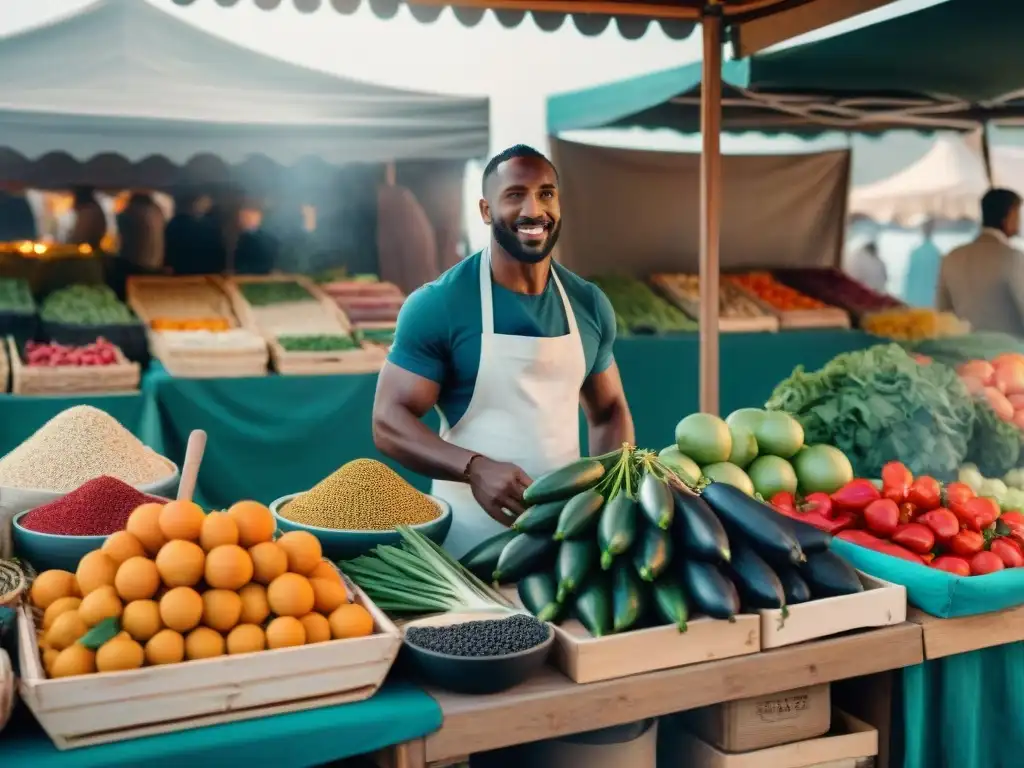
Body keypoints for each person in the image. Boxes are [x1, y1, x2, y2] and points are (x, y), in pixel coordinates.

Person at [372, 144, 635, 558]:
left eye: (547, 193)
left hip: (566, 544)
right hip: (468, 547)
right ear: (485, 210)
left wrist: (611, 498)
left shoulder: (588, 303)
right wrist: (474, 468)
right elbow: (388, 420)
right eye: (515, 195)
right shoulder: (439, 305)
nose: (534, 209)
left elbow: (609, 411)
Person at [937, 188, 1024, 335]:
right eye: (1018, 213)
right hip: (1009, 355)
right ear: (1009, 216)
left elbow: (942, 313)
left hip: (960, 353)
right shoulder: (1013, 258)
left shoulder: (952, 257)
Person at [903, 219, 943, 308]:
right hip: (931, 302)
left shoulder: (916, 253)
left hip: (916, 302)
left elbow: (909, 280)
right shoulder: (937, 254)